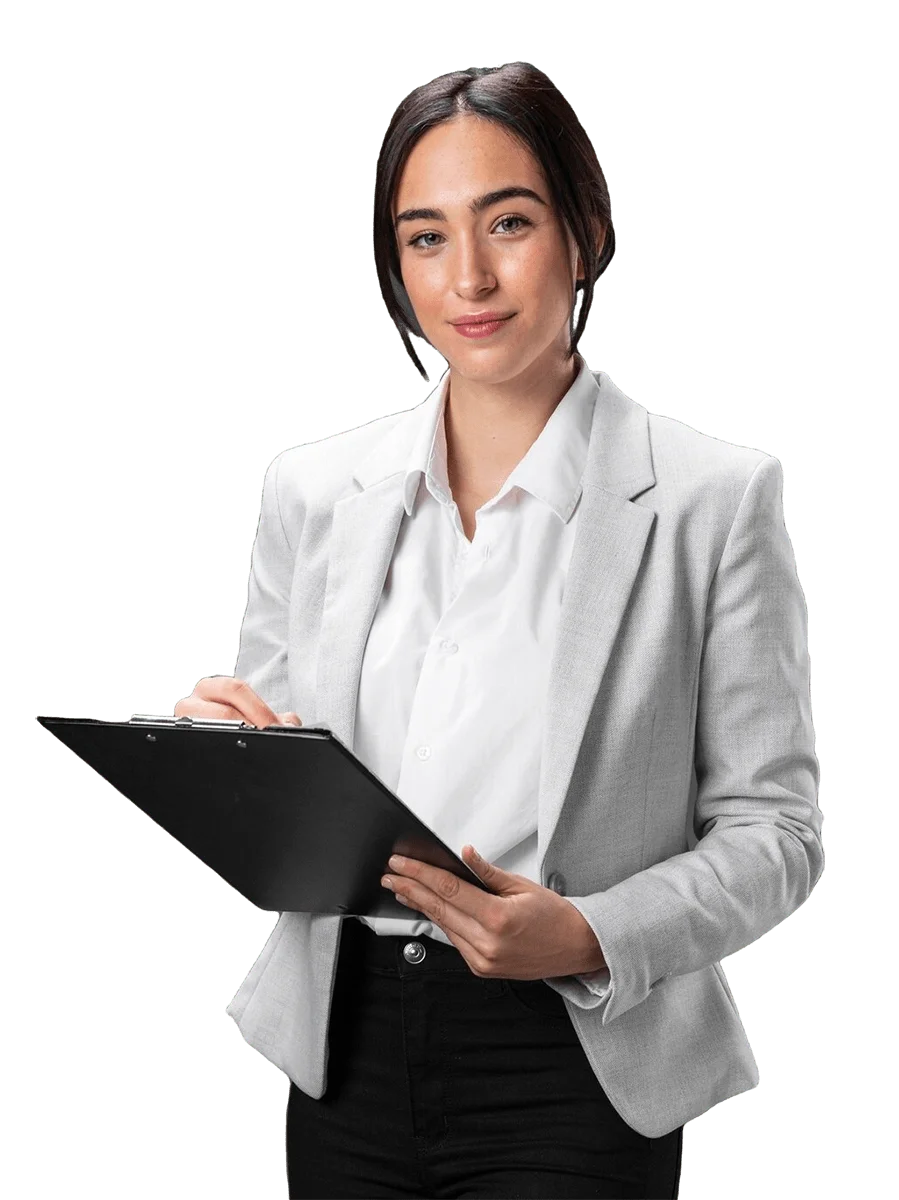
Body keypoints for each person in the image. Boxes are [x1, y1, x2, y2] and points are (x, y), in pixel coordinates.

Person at [175, 62, 824, 1199]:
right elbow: (294, 824)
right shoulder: (312, 490)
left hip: (578, 1060)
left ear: (583, 234)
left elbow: (776, 834)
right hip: (345, 1051)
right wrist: (236, 762)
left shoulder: (712, 499)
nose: (466, 277)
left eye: (507, 223)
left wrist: (584, 934)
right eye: (423, 238)